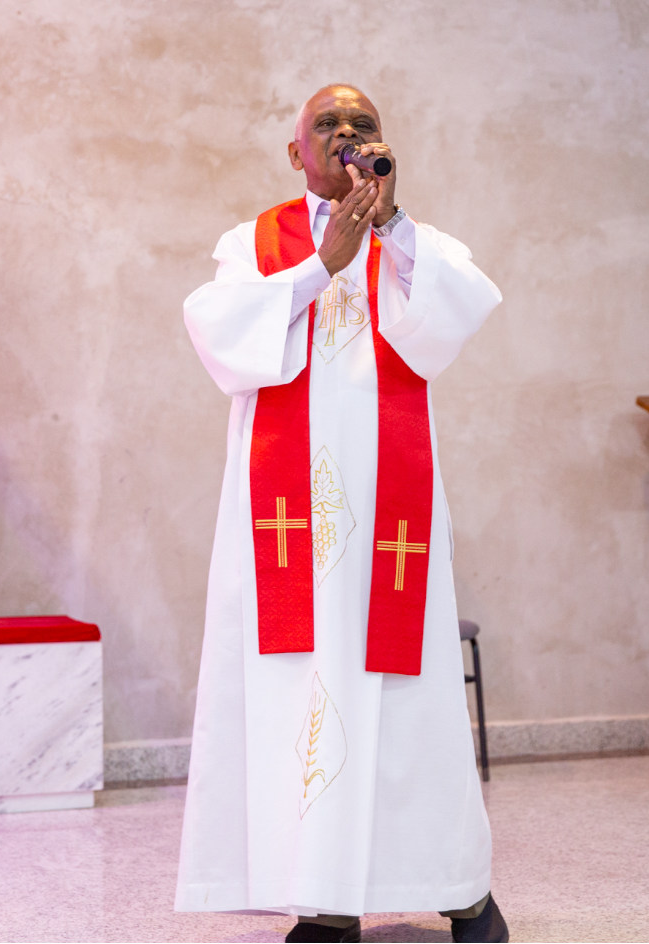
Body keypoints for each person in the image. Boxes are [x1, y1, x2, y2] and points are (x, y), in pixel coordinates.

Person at [177, 85, 508, 943]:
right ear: (297, 154)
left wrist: (389, 234)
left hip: (390, 524)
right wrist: (321, 262)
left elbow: (457, 318)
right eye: (329, 125)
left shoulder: (418, 242)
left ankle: (460, 889)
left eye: (364, 125)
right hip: (286, 528)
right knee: (300, 698)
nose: (348, 135)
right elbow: (220, 337)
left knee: (410, 691)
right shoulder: (254, 242)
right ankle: (326, 900)